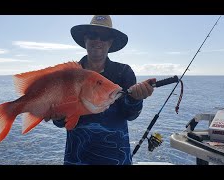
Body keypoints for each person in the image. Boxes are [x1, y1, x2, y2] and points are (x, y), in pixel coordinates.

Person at [52, 15, 155, 165]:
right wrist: (58, 116)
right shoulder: (71, 75)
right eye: (93, 35)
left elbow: (131, 115)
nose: (98, 40)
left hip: (117, 159)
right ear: (85, 39)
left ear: (110, 42)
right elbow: (61, 122)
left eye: (104, 36)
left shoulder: (123, 72)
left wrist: (135, 99)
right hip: (77, 159)